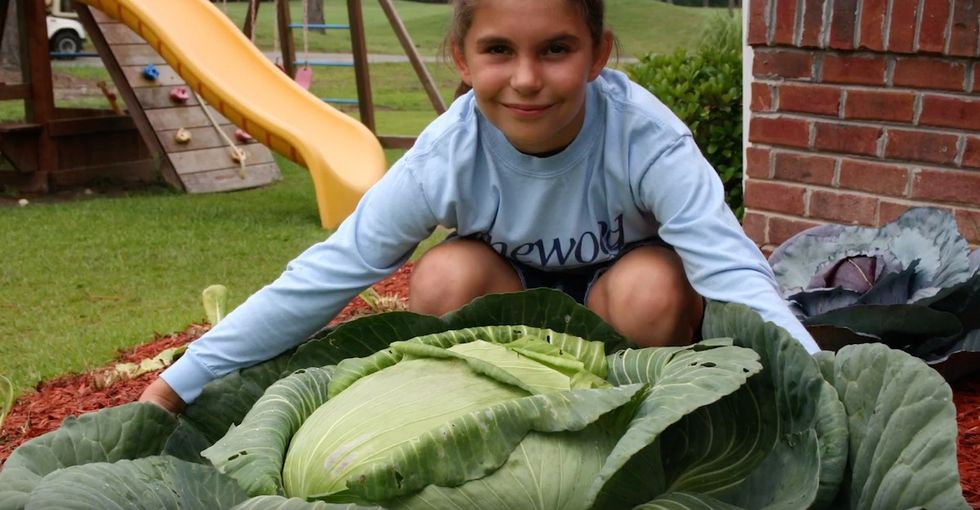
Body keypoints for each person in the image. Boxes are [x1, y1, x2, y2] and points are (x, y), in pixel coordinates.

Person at [140, 0, 819, 414]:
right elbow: (329, 272)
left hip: (624, 315)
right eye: (498, 50)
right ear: (461, 58)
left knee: (655, 288)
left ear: (598, 56)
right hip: (514, 311)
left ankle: (637, 424)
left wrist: (819, 383)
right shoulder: (446, 155)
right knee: (442, 277)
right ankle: (495, 419)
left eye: (556, 49)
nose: (526, 79)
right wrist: (180, 384)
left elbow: (730, 270)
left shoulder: (648, 139)